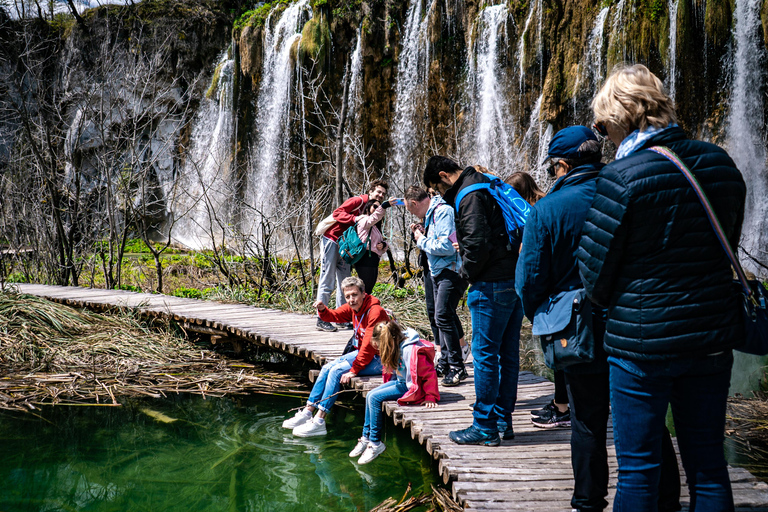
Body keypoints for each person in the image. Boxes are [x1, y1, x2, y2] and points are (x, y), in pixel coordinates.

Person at [578, 64, 746, 511]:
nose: (602, 134)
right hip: (711, 337)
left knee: (639, 469)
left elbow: (593, 275)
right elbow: (727, 244)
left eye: (602, 123)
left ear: (621, 114)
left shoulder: (622, 177)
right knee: (709, 464)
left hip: (641, 344)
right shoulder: (721, 163)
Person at [516, 126, 681, 511]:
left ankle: (588, 502)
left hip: (578, 331)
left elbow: (528, 281)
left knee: (587, 421)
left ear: (561, 164)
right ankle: (667, 500)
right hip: (637, 322)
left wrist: (543, 316)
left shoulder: (548, 209)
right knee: (648, 418)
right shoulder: (629, 190)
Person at [423, 157, 523, 446]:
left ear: (443, 175)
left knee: (485, 356)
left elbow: (476, 246)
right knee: (508, 355)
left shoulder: (469, 195)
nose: (439, 196)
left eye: (436, 189)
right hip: (513, 280)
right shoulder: (486, 183)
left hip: (491, 286)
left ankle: (484, 426)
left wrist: (464, 272)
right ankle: (503, 420)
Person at [284, 276, 389, 437]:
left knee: (337, 371)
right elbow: (335, 316)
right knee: (327, 368)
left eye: (354, 295)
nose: (351, 300)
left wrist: (354, 370)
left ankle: (319, 420)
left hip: (381, 358)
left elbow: (368, 345)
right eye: (347, 296)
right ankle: (308, 411)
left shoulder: (375, 311)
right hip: (365, 353)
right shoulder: (354, 308)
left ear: (363, 293)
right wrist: (322, 310)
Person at [506, 171, 572, 427]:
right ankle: (561, 402)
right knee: (563, 353)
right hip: (564, 288)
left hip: (551, 292)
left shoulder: (535, 212)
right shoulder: (550, 202)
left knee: (558, 354)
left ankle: (563, 407)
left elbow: (531, 255)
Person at [349, 320, 439, 464]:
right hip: (401, 382)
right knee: (370, 395)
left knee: (374, 398)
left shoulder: (411, 350)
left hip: (412, 386)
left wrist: (430, 396)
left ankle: (375, 443)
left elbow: (430, 374)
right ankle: (366, 438)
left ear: (391, 341)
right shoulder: (398, 345)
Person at [404, 186, 468, 386]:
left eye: (410, 210)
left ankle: (458, 367)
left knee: (443, 315)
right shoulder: (433, 214)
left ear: (414, 203)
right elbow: (439, 239)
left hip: (451, 269)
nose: (412, 214)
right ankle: (448, 361)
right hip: (439, 271)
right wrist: (425, 233)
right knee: (442, 315)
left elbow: (447, 247)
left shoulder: (442, 211)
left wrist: (420, 239)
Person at [316, 180, 389, 332]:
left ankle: (341, 318)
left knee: (345, 281)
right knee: (327, 278)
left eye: (383, 193)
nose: (381, 195)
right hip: (332, 239)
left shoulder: (372, 209)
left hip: (348, 247)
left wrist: (382, 245)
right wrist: (354, 219)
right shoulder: (359, 201)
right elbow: (337, 213)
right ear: (371, 192)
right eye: (378, 192)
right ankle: (321, 319)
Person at [354, 198, 393, 294]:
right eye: (375, 206)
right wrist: (383, 206)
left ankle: (366, 308)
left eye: (378, 207)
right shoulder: (364, 220)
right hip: (365, 259)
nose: (377, 209)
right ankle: (360, 308)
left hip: (373, 261)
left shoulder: (375, 226)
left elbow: (381, 242)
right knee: (364, 290)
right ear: (367, 208)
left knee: (368, 290)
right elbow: (374, 218)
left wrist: (383, 244)